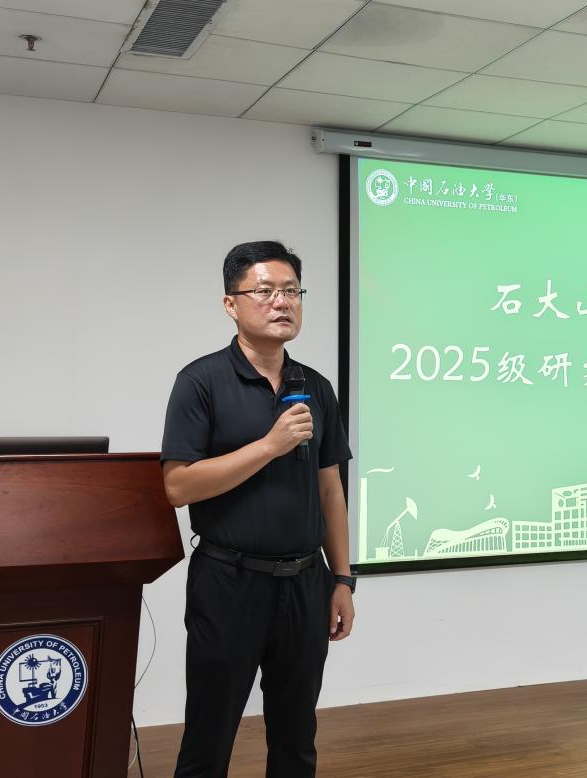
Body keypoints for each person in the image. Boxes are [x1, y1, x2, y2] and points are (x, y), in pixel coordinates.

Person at [161, 240, 355, 778]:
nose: (282, 302)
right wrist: (269, 446)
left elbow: (330, 490)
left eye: (292, 291)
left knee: (297, 737)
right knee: (209, 733)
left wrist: (342, 578)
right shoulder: (200, 382)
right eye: (265, 291)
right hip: (229, 582)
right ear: (231, 304)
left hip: (305, 583)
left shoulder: (315, 386)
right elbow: (178, 486)